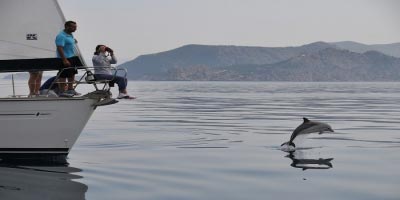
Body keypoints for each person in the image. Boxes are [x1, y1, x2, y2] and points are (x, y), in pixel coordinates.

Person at [55, 20, 80, 96]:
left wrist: (74, 41)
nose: (75, 28)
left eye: (75, 27)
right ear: (67, 27)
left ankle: (70, 89)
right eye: (73, 27)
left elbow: (69, 43)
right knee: (63, 75)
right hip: (64, 58)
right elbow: (60, 47)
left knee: (72, 74)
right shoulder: (61, 36)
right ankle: (62, 91)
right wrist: (64, 59)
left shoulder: (70, 35)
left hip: (72, 57)